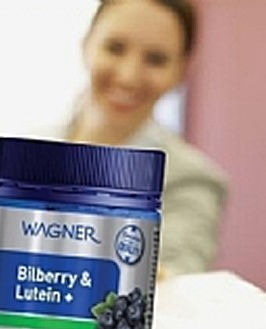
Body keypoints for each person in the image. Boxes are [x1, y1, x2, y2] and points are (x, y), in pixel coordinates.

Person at [53, 0, 228, 279]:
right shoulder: (25, 145)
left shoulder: (191, 180)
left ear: (181, 71)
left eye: (156, 59)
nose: (129, 76)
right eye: (115, 48)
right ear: (86, 44)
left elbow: (179, 274)